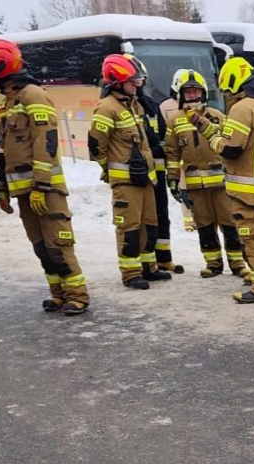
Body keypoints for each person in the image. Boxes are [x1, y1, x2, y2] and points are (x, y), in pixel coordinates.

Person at [0, 38, 89, 315]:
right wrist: (3, 187)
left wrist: (41, 184)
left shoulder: (33, 95)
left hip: (45, 190)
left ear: (1, 67)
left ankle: (77, 296)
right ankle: (58, 294)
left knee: (58, 244)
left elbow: (46, 141)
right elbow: (5, 151)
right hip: (25, 191)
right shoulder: (10, 102)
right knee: (41, 248)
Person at [193, 58, 254, 304]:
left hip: (244, 190)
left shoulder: (242, 108)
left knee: (253, 238)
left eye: (227, 91)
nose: (227, 96)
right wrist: (204, 126)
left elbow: (231, 148)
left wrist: (214, 142)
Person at [88, 54, 168, 290]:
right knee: (129, 228)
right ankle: (131, 273)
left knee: (149, 225)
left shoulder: (133, 105)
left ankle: (148, 267)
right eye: (132, 81)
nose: (136, 85)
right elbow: (96, 146)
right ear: (117, 82)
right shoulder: (106, 108)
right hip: (126, 182)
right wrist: (108, 169)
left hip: (145, 179)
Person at [164, 69, 250, 280]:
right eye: (188, 92)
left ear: (203, 93)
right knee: (204, 225)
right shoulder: (174, 121)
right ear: (181, 95)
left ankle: (238, 263)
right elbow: (172, 153)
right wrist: (172, 179)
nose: (192, 95)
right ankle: (213, 263)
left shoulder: (217, 116)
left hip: (221, 184)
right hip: (195, 186)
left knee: (230, 223)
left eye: (196, 91)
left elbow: (230, 145)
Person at [123, 53, 183, 275]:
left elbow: (164, 139)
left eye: (139, 81)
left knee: (160, 216)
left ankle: (163, 258)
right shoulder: (121, 109)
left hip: (156, 171)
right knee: (138, 220)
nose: (137, 85)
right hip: (135, 173)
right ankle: (142, 262)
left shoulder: (151, 106)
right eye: (133, 81)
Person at [158, 71, 197, 234]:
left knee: (189, 189)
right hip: (183, 154)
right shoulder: (166, 107)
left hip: (187, 154)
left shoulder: (165, 106)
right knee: (186, 190)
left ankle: (193, 220)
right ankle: (190, 221)